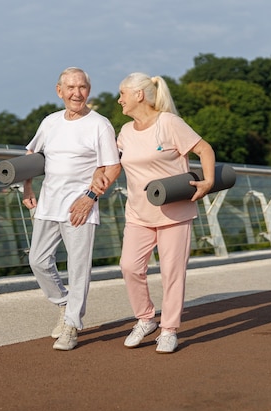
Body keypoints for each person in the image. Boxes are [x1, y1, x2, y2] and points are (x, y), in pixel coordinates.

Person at [93, 72, 215, 353]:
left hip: (174, 213)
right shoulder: (124, 131)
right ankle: (145, 318)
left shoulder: (169, 123)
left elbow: (204, 149)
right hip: (138, 213)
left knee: (172, 272)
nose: (119, 99)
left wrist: (207, 181)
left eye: (122, 93)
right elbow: (113, 164)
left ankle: (169, 329)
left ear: (139, 95)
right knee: (129, 266)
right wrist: (97, 181)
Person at [22, 67, 121, 351]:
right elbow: (32, 155)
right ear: (59, 91)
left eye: (82, 87)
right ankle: (65, 304)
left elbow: (113, 166)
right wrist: (28, 187)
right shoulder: (50, 122)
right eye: (71, 88)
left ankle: (72, 325)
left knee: (78, 269)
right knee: (38, 260)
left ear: (89, 90)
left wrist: (90, 196)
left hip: (80, 207)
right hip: (49, 204)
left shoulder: (99, 124)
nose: (77, 93)